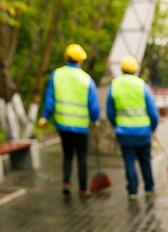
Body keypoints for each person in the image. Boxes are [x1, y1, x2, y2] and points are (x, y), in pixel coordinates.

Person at [38, 43, 100, 197]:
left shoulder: (56, 75)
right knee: (81, 157)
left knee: (67, 155)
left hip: (62, 124)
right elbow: (94, 104)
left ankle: (66, 182)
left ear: (66, 57)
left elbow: (50, 98)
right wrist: (95, 120)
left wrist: (46, 116)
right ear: (80, 60)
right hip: (81, 126)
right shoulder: (86, 79)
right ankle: (83, 189)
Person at [108, 55, 160, 198]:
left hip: (124, 132)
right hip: (143, 132)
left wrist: (116, 124)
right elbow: (152, 110)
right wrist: (154, 125)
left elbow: (110, 111)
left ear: (122, 69)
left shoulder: (115, 85)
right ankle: (149, 187)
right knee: (145, 160)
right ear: (135, 69)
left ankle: (132, 191)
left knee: (129, 161)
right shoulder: (142, 85)